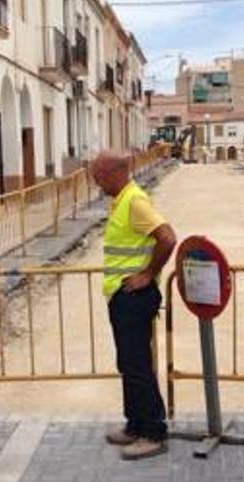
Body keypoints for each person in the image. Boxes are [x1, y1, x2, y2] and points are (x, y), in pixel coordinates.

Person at [90, 151, 177, 460]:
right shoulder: (121, 200)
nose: (95, 182)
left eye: (97, 175)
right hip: (122, 295)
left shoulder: (135, 201)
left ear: (115, 172)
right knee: (128, 363)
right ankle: (135, 424)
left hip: (134, 297)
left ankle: (154, 431)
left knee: (137, 365)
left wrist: (148, 274)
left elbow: (167, 238)